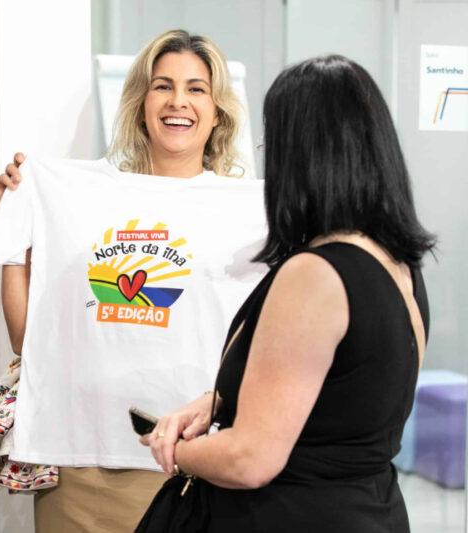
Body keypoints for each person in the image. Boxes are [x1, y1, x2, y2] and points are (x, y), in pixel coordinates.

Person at [0, 30, 265, 532]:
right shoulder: (77, 199)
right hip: (79, 467)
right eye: (163, 86)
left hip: (188, 466)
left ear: (218, 110)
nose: (179, 101)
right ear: (139, 102)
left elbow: (260, 352)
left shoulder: (250, 212)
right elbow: (30, 342)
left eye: (197, 89)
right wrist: (18, 238)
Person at [139, 55, 436, 532]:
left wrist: (172, 448)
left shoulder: (315, 274)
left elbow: (251, 459)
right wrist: (216, 400)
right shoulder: (397, 264)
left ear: (301, 154)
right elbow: (336, 401)